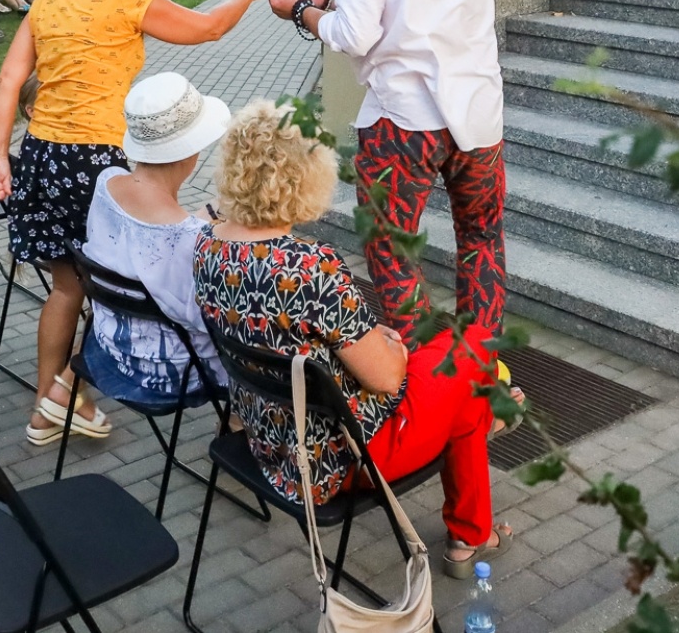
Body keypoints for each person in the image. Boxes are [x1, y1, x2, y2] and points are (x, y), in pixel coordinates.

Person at [0, 0, 275, 446]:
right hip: (96, 159)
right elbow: (208, 29)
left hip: (42, 152)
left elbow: (7, 82)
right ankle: (70, 396)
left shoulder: (48, 1)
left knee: (66, 288)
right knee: (121, 287)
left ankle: (49, 408)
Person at [192, 98, 513, 579]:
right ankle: (473, 518)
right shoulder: (309, 267)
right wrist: (390, 344)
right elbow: (387, 379)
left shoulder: (207, 247)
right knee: (465, 350)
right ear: (307, 178)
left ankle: (474, 517)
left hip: (270, 440)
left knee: (454, 377)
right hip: (342, 457)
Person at [268, 0, 507, 338]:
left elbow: (357, 34)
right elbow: (426, 2)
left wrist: (303, 11)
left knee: (392, 250)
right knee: (482, 241)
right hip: (477, 112)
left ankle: (422, 374)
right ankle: (479, 373)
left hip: (403, 120)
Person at [78, 73, 229, 408]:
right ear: (192, 154)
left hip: (107, 348)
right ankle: (239, 427)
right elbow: (210, 322)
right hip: (170, 374)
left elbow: (146, 238)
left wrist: (210, 213)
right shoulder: (189, 240)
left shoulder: (107, 183)